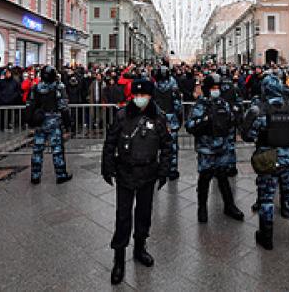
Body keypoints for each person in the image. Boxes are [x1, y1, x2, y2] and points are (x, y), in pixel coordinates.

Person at [101, 79, 171, 285]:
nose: (140, 99)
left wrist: (164, 171)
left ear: (150, 97)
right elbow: (110, 142)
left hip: (148, 173)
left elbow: (167, 146)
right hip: (125, 171)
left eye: (144, 96)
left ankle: (140, 248)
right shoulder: (122, 115)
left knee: (143, 213)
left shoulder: (158, 118)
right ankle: (119, 258)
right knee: (123, 216)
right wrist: (107, 167)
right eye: (137, 95)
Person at [243, 74, 289, 250]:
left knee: (266, 199)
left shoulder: (258, 110)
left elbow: (246, 135)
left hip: (268, 161)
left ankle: (266, 237)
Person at [186, 73, 244, 224]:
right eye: (213, 88)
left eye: (217, 87)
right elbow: (190, 126)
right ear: (206, 89)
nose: (216, 90)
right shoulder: (200, 105)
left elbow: (232, 121)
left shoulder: (223, 103)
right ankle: (202, 208)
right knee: (204, 179)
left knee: (223, 177)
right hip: (206, 150)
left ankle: (229, 206)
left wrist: (233, 118)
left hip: (222, 148)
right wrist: (205, 121)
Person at [25, 66, 73, 185]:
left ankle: (35, 175)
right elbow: (63, 107)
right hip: (54, 121)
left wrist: (30, 121)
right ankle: (61, 174)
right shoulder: (58, 87)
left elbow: (30, 105)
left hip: (40, 121)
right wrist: (68, 124)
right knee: (57, 149)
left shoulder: (36, 87)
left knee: (37, 149)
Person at [153, 66, 183, 180]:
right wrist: (179, 119)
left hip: (158, 119)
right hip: (172, 119)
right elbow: (178, 106)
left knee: (157, 146)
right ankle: (172, 170)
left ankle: (159, 170)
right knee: (172, 147)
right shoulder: (173, 86)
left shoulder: (155, 86)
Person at [218, 66, 243, 177]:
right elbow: (239, 104)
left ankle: (220, 168)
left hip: (218, 120)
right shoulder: (234, 87)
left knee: (219, 144)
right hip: (231, 119)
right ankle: (231, 167)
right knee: (231, 144)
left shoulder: (216, 87)